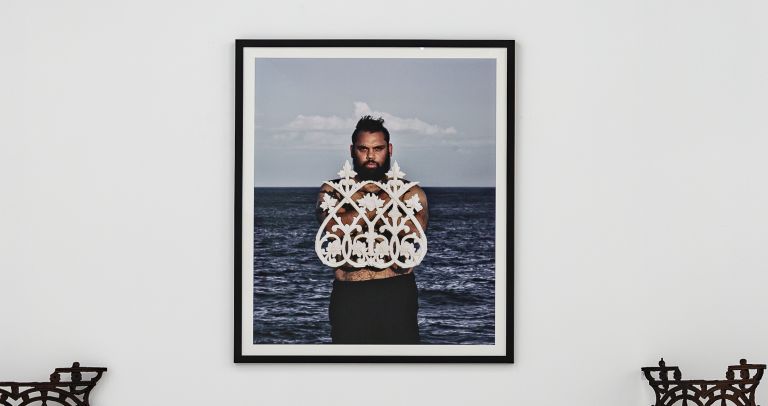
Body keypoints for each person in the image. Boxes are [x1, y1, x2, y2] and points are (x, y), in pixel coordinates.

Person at [315, 115, 429, 344]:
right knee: (349, 371)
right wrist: (381, 201)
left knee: (401, 368)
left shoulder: (411, 193)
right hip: (350, 294)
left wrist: (359, 208)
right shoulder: (332, 191)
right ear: (351, 150)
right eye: (363, 149)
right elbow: (333, 231)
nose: (370, 156)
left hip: (396, 292)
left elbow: (408, 245)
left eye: (377, 149)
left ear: (390, 149)